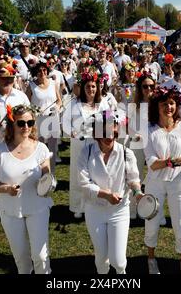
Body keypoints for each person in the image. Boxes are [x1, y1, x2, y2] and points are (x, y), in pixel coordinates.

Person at [0, 104, 53, 274]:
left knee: (41, 256)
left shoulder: (41, 149)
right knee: (21, 258)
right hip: (10, 210)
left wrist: (48, 184)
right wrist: (6, 188)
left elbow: (47, 177)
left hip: (37, 207)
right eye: (21, 123)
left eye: (30, 123)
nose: (26, 127)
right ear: (12, 124)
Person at [77, 110, 142, 274]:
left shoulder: (126, 153)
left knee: (119, 262)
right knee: (101, 258)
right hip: (94, 210)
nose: (110, 135)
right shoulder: (86, 152)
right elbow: (83, 183)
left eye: (113, 130)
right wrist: (106, 195)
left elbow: (133, 179)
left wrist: (138, 192)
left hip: (119, 211)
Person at [143, 85, 181, 274]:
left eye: (172, 103)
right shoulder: (149, 130)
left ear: (177, 105)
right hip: (155, 183)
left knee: (180, 222)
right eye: (164, 104)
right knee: (152, 221)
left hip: (178, 183)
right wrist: (171, 162)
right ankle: (151, 258)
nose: (169, 108)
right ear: (157, 107)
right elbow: (152, 163)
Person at [62, 71, 109, 219]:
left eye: (94, 86)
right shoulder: (74, 103)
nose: (91, 89)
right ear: (83, 88)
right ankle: (77, 206)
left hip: (97, 143)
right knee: (78, 173)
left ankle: (96, 203)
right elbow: (64, 122)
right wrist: (72, 133)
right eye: (88, 86)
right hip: (79, 142)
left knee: (96, 173)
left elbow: (109, 120)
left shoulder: (102, 104)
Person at [127, 74, 156, 219]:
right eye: (145, 86)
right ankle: (132, 208)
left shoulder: (158, 103)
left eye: (151, 86)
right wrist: (136, 135)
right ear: (140, 88)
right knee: (135, 174)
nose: (148, 89)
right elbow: (129, 126)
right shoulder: (134, 105)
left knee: (154, 176)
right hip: (137, 142)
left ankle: (151, 207)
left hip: (155, 143)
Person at [26, 60, 61, 171]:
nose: (42, 72)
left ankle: (52, 174)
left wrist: (57, 107)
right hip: (38, 120)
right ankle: (39, 173)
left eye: (44, 70)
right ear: (35, 72)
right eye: (39, 70)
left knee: (52, 148)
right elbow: (26, 104)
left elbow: (59, 101)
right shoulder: (31, 85)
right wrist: (34, 110)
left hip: (52, 118)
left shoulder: (52, 83)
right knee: (39, 148)